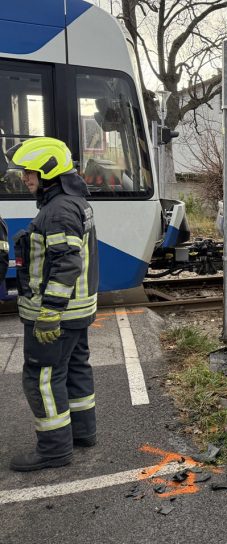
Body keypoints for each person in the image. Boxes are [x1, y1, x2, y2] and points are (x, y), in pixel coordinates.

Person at [4, 137, 99, 471]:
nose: (25, 178)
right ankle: (83, 433)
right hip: (78, 312)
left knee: (42, 377)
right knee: (74, 369)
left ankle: (54, 450)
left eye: (30, 172)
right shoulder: (73, 203)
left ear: (48, 172)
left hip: (57, 316)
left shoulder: (57, 212)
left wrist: (49, 314)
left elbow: (67, 264)